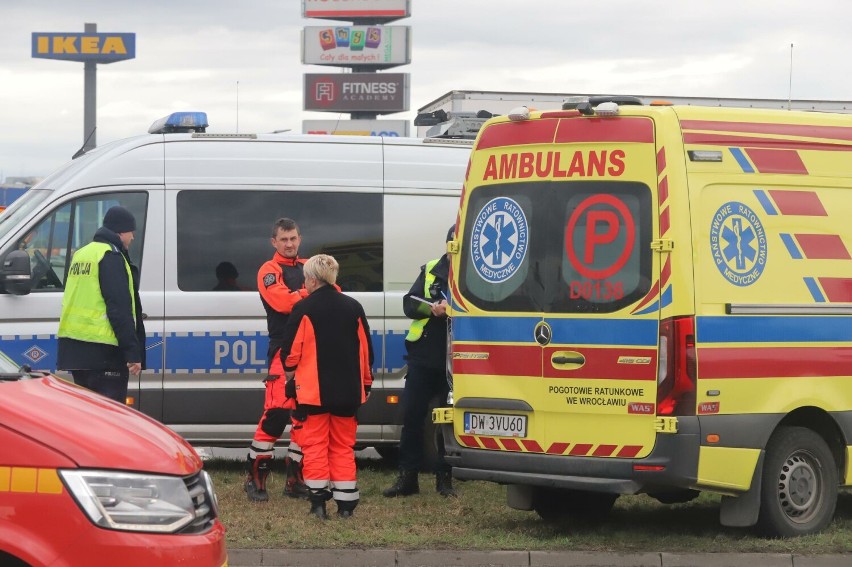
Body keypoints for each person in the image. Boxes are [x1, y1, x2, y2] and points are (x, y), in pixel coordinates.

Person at [279, 254, 373, 519]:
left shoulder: (304, 309)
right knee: (343, 447)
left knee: (315, 447)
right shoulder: (353, 307)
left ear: (311, 279)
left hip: (312, 394)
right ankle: (346, 505)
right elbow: (367, 352)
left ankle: (318, 504)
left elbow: (290, 355)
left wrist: (291, 376)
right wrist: (365, 384)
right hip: (348, 394)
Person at [383, 225, 457, 498]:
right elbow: (408, 304)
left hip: (456, 361)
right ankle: (407, 478)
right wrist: (433, 307)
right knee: (412, 416)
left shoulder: (474, 271)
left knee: (448, 422)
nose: (454, 247)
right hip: (424, 356)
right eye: (452, 242)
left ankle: (444, 479)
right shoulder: (431, 268)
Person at [245, 218, 310, 502]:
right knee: (276, 415)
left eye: (293, 238)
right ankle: (255, 479)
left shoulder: (308, 266)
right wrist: (311, 292)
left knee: (304, 418)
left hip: (309, 352)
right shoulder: (268, 270)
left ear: (300, 238)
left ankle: (295, 481)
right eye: (283, 239)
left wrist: (303, 294)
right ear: (274, 242)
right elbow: (282, 303)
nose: (289, 244)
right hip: (282, 352)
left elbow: (333, 291)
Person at [57, 205, 145, 403]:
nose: (133, 237)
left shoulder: (81, 254)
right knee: (109, 421)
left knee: (86, 418)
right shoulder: (110, 255)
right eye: (132, 232)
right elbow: (119, 308)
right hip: (105, 355)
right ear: (121, 231)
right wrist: (132, 352)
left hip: (76, 352)